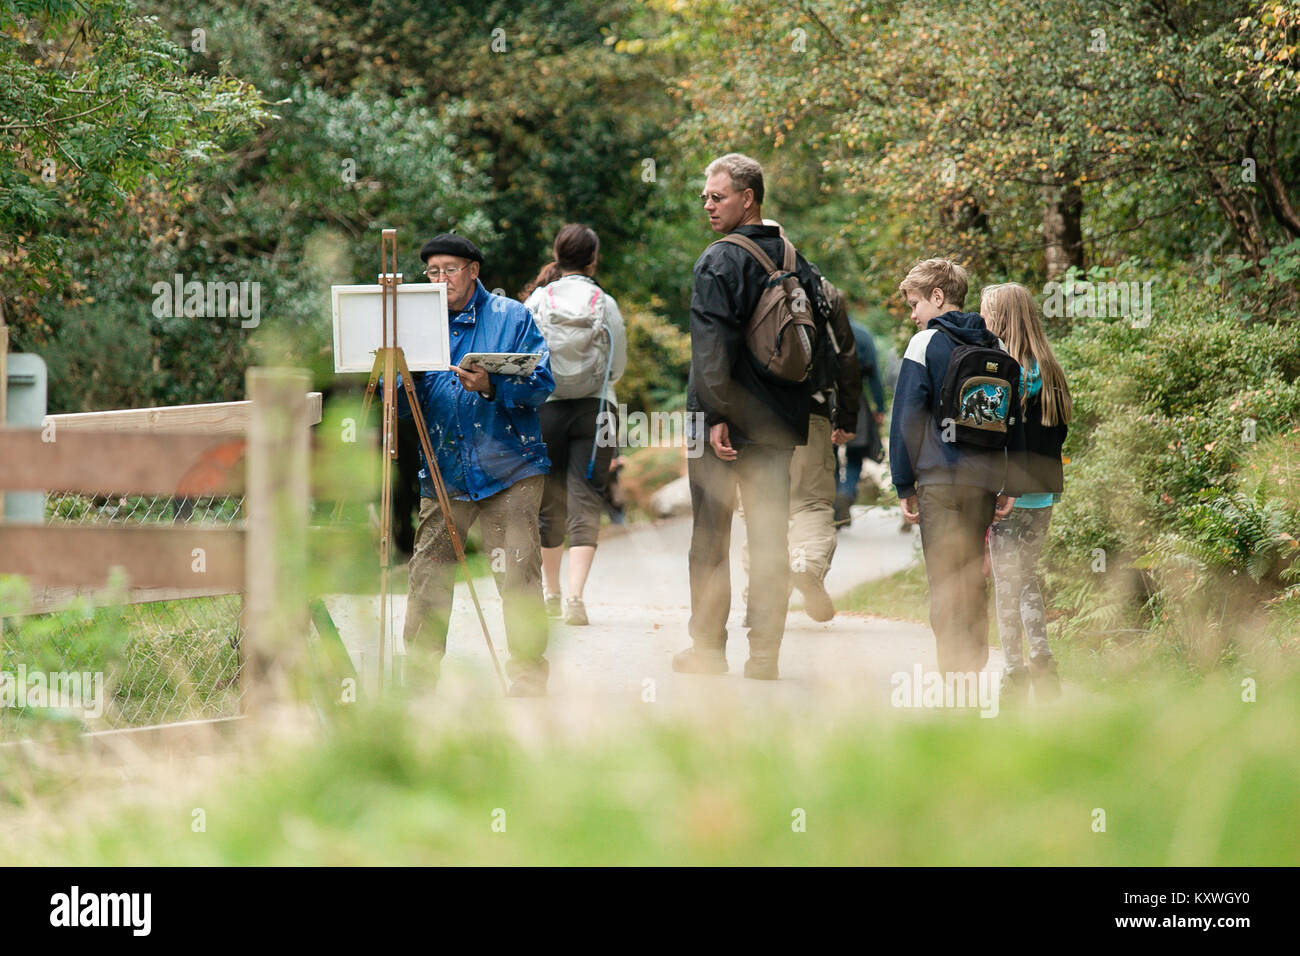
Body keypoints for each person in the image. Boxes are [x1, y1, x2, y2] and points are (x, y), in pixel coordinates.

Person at [673, 153, 825, 680]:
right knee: (768, 538)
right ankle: (765, 656)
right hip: (778, 422)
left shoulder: (718, 260)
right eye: (705, 198)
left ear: (748, 198)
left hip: (721, 421)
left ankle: (709, 652)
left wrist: (716, 416)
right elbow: (818, 338)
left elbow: (709, 346)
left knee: (710, 537)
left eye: (717, 196)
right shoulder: (794, 257)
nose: (708, 205)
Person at [396, 233, 556, 696]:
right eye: (432, 271)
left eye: (449, 269)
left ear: (473, 270)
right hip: (444, 470)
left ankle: (527, 673)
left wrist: (492, 386)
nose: (440, 278)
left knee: (519, 574)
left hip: (511, 470)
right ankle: (420, 677)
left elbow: (543, 382)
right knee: (428, 574)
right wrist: (394, 382)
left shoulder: (511, 316)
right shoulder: (419, 324)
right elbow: (409, 409)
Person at [889, 258, 1024, 676]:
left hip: (939, 482)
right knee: (970, 576)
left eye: (915, 304)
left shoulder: (926, 344)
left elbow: (906, 420)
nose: (913, 315)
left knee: (945, 579)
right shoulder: (995, 346)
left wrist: (903, 483)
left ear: (937, 296)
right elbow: (1011, 418)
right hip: (983, 485)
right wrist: (1009, 483)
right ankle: (973, 666)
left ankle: (953, 676)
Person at [739, 256, 860, 624]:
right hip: (812, 412)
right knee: (812, 505)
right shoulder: (822, 291)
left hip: (757, 417)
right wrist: (849, 415)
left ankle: (760, 594)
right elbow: (846, 355)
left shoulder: (742, 284)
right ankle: (806, 562)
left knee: (758, 508)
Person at [522, 224, 627, 626]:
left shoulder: (536, 299)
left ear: (557, 254)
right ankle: (576, 598)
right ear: (593, 258)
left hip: (545, 409)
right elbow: (617, 366)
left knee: (549, 501)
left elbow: (525, 356)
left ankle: (550, 594)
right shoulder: (605, 302)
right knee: (587, 498)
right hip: (596, 410)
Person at [980, 282, 1071, 701]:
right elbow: (1060, 434)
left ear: (1000, 318)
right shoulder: (1050, 370)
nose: (981, 320)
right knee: (1029, 577)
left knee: (1006, 585)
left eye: (985, 312)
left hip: (1007, 495)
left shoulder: (1002, 370)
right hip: (1043, 493)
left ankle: (1014, 672)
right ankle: (1044, 661)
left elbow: (997, 436)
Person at [834, 319, 888, 527]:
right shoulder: (862, 333)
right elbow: (873, 372)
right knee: (855, 452)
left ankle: (836, 497)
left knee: (830, 453)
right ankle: (846, 492)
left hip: (828, 397)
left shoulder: (824, 327)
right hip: (856, 398)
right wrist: (879, 406)